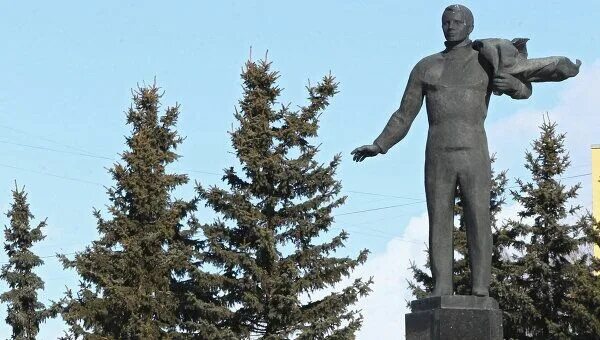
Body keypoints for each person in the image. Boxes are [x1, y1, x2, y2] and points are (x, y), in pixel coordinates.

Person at [351, 4, 531, 297]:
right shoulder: (426, 67)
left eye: (457, 22)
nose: (451, 26)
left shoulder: (486, 62)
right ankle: (442, 286)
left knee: (478, 218)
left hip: (474, 152)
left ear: (470, 27)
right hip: (438, 155)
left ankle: (480, 287)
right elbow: (404, 114)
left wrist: (510, 84)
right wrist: (380, 144)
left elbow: (525, 90)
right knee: (438, 220)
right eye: (446, 22)